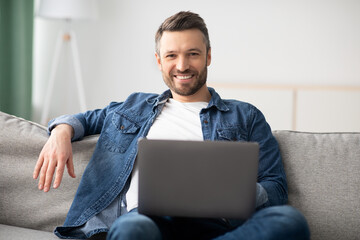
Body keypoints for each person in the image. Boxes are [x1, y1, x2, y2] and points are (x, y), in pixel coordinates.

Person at [33, 11, 310, 240]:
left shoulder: (246, 116)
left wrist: (235, 192)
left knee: (288, 221)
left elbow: (276, 187)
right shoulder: (132, 107)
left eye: (192, 54)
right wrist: (61, 131)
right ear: (159, 61)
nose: (182, 65)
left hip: (218, 225)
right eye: (171, 56)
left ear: (208, 56)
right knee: (132, 230)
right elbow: (82, 120)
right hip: (146, 220)